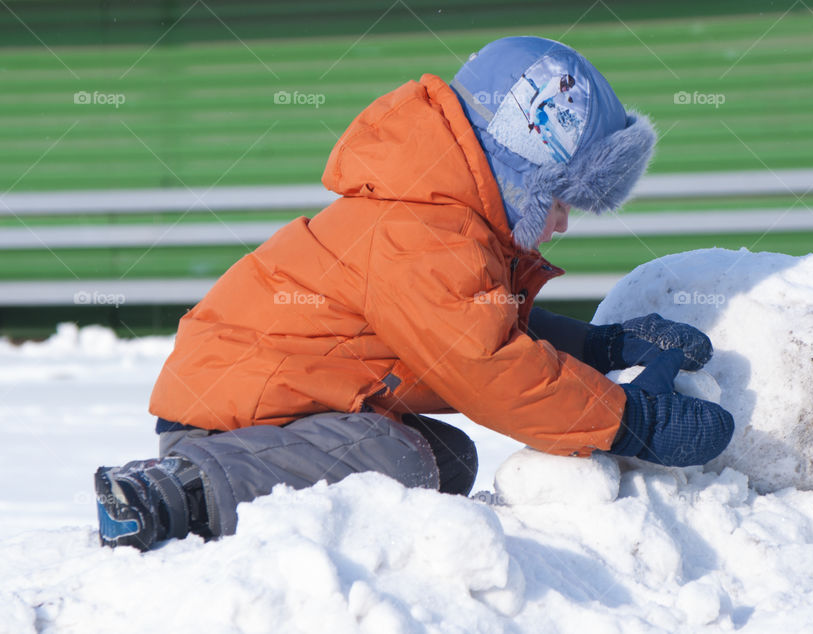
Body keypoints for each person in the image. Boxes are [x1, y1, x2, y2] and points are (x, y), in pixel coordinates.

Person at [94, 36, 734, 551]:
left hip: (288, 414)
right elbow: (489, 368)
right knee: (399, 462)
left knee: (445, 460)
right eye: (560, 199)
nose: (564, 222)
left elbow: (488, 331)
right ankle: (172, 494)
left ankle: (210, 486)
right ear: (517, 174)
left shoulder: (443, 220)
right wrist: (633, 421)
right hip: (231, 425)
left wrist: (601, 345)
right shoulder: (421, 232)